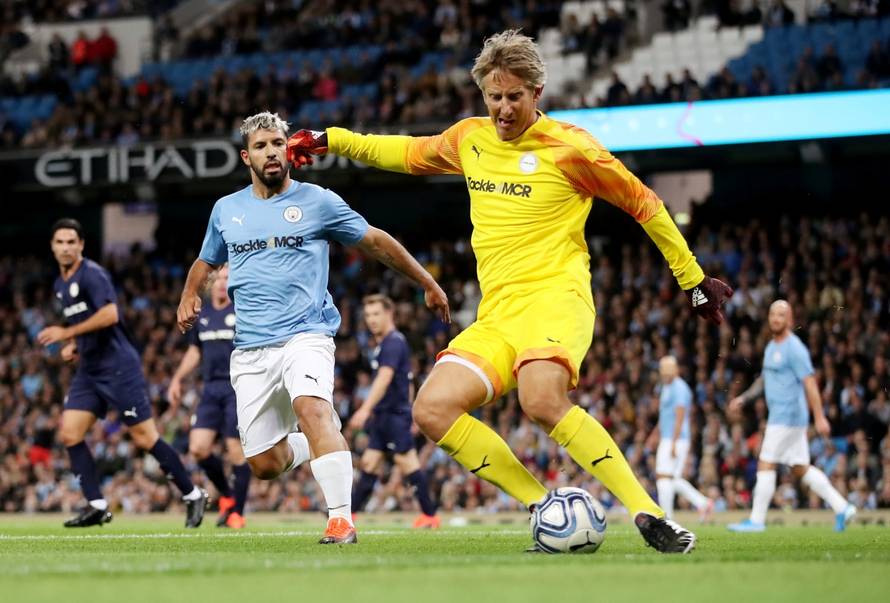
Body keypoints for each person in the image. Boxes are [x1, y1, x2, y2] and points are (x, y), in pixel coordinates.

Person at [286, 30, 732, 553]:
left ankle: (648, 512)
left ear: (536, 93)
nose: (502, 108)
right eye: (493, 97)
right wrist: (330, 139)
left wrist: (692, 278)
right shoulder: (470, 139)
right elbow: (405, 151)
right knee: (431, 408)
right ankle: (543, 506)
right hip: (498, 315)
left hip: (556, 300)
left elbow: (645, 203)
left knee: (540, 398)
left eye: (513, 96)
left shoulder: (572, 148)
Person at [177, 111, 450, 545]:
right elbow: (206, 260)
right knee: (263, 464)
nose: (272, 152)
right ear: (246, 156)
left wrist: (428, 284)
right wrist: (190, 294)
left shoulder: (319, 201)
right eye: (262, 146)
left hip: (307, 333)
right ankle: (315, 443)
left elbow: (375, 241)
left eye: (278, 143)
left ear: (290, 149)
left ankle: (341, 520)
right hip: (250, 349)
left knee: (313, 407)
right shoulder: (226, 210)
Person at [38, 219, 208, 528]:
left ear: (81, 245)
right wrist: (74, 343)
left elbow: (109, 313)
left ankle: (192, 493)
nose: (65, 247)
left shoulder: (92, 274)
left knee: (145, 437)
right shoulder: (60, 285)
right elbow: (86, 319)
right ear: (52, 246)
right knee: (70, 433)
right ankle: (96, 504)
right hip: (89, 369)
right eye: (59, 242)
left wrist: (66, 333)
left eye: (70, 242)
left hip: (117, 367)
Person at [728, 300, 857, 532]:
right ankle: (843, 507)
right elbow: (764, 380)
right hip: (785, 417)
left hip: (787, 416)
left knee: (766, 462)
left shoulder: (794, 348)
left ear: (790, 320)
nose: (776, 318)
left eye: (781, 315)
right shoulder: (771, 347)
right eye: (773, 314)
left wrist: (819, 417)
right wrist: (744, 398)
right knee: (800, 467)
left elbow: (810, 383)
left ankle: (756, 521)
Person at [167, 265, 252, 529]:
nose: (222, 283)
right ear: (209, 283)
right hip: (210, 388)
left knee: (236, 451)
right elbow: (195, 351)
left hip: (236, 387)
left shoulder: (242, 311)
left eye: (227, 278)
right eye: (217, 279)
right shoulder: (201, 314)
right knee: (198, 449)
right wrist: (178, 378)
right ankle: (226, 495)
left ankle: (237, 512)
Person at [348, 294, 439, 528]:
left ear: (389, 314)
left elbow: (386, 378)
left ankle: (430, 516)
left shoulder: (392, 342)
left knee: (408, 464)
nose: (371, 320)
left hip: (393, 416)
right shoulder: (388, 343)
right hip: (385, 416)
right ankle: (349, 515)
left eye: (376, 314)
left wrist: (365, 409)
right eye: (368, 315)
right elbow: (407, 381)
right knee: (369, 463)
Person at [653, 356, 714, 520]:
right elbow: (665, 415)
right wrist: (654, 434)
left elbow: (680, 416)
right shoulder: (666, 386)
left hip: (675, 438)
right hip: (668, 437)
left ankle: (667, 518)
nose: (664, 374)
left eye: (666, 370)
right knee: (672, 479)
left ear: (675, 370)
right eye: (662, 370)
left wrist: (673, 442)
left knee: (663, 476)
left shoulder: (680, 388)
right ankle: (703, 503)